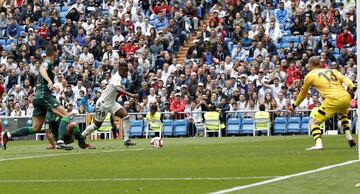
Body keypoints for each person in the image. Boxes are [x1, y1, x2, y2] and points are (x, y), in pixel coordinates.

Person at [2, 45, 74, 150]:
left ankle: (8, 135)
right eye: (57, 53)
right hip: (44, 96)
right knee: (66, 116)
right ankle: (60, 141)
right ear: (54, 53)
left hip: (38, 97)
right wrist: (49, 80)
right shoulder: (47, 62)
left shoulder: (49, 63)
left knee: (36, 127)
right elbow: (42, 69)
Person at [288, 56, 357, 150]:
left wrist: (294, 105)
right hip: (345, 97)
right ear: (319, 64)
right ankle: (349, 137)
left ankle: (319, 144)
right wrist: (352, 87)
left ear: (309, 65)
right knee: (342, 115)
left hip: (333, 99)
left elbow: (302, 94)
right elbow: (345, 78)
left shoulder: (310, 76)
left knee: (314, 123)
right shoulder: (332, 71)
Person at [81, 63, 137, 146]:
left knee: (125, 116)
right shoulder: (116, 77)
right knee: (96, 125)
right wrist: (131, 95)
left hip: (111, 103)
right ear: (121, 70)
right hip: (103, 104)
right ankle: (81, 137)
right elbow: (117, 88)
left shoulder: (118, 77)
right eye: (125, 71)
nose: (126, 73)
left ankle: (126, 139)